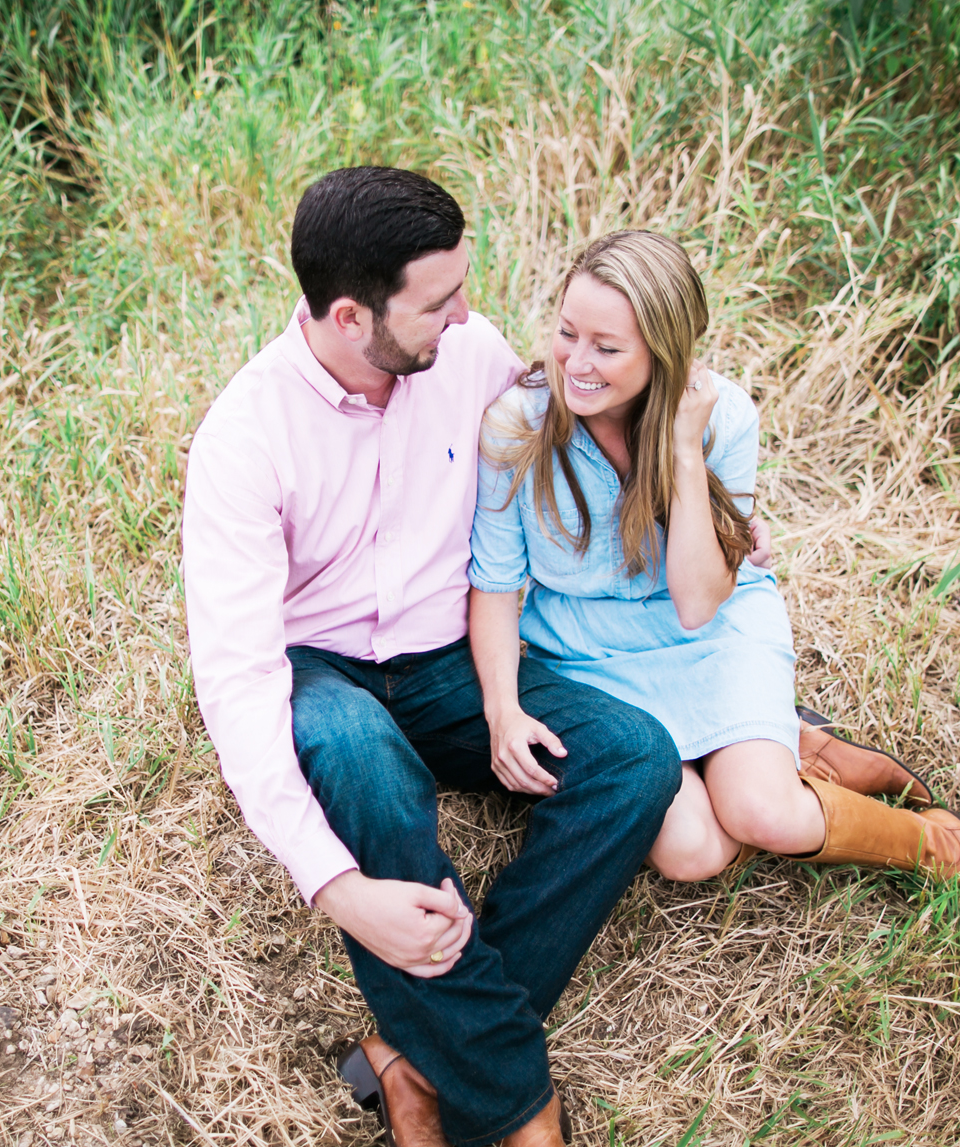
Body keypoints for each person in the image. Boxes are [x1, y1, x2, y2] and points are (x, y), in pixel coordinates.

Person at [182, 168, 685, 1147]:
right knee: (354, 755)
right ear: (345, 316)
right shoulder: (243, 441)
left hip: (450, 656)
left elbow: (588, 430)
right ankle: (514, 1105)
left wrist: (703, 484)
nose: (466, 315)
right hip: (320, 672)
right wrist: (340, 890)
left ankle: (414, 1054)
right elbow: (238, 681)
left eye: (463, 287)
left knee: (634, 759)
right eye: (437, 301)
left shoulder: (470, 355)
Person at [467, 230, 960, 943]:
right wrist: (501, 710)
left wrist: (680, 446)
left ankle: (936, 845)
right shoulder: (516, 425)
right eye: (565, 333)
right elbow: (494, 584)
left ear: (664, 350)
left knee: (764, 814)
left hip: (710, 632)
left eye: (607, 348)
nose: (575, 363)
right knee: (691, 850)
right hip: (590, 657)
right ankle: (793, 744)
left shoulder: (723, 417)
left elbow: (698, 601)